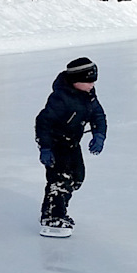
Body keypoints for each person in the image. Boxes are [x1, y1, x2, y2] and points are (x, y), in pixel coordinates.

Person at [33, 56, 106, 237]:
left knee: (77, 177)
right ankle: (52, 217)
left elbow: (98, 115)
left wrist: (99, 135)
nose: (92, 84)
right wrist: (45, 147)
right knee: (60, 179)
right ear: (75, 81)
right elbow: (43, 122)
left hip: (72, 144)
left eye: (94, 80)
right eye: (88, 81)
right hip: (57, 144)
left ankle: (60, 210)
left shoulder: (88, 96)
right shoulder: (60, 98)